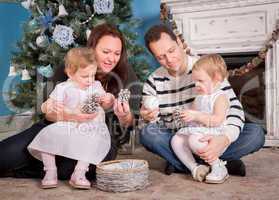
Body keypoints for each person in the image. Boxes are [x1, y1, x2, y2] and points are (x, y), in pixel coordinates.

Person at [0, 23, 136, 180]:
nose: (112, 58)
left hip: (98, 137)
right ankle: (38, 160)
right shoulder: (72, 66)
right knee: (4, 155)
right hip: (58, 127)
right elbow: (48, 113)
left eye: (117, 53)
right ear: (92, 49)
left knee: (83, 167)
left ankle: (24, 170)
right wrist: (70, 116)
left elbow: (130, 123)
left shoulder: (126, 75)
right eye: (106, 52)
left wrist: (124, 115)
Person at [139, 24, 265, 177]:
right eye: (161, 57)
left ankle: (184, 163)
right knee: (148, 133)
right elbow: (146, 124)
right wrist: (147, 118)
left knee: (255, 134)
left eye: (171, 50)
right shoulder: (153, 81)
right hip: (182, 137)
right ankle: (217, 163)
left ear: (179, 42)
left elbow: (233, 109)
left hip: (213, 133)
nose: (169, 59)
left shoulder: (206, 68)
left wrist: (224, 139)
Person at [28, 47, 113, 189]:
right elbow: (50, 106)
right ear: (70, 73)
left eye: (93, 75)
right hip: (69, 123)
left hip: (90, 126)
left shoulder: (96, 86)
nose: (90, 80)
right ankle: (50, 171)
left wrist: (108, 98)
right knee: (48, 136)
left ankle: (79, 173)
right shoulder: (63, 88)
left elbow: (106, 101)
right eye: (85, 76)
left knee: (92, 142)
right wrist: (51, 106)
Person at [171, 54, 238, 184]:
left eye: (201, 81)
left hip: (214, 134)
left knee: (193, 139)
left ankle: (218, 166)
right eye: (195, 81)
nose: (196, 84)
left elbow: (217, 120)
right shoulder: (199, 97)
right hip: (200, 131)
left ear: (217, 78)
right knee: (176, 139)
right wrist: (186, 116)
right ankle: (195, 167)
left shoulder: (220, 97)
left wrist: (196, 116)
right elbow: (195, 119)